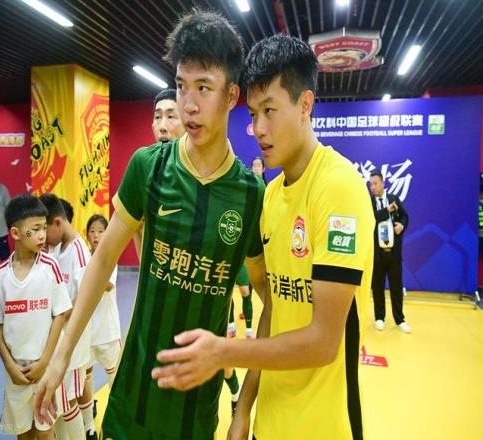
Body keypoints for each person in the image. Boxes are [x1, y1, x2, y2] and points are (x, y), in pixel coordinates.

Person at [35, 10, 266, 440]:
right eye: (181, 86)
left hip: (196, 410)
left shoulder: (252, 195)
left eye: (204, 88)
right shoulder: (149, 167)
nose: (189, 104)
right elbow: (103, 259)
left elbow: (270, 300)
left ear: (232, 95)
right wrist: (62, 354)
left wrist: (245, 406)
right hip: (133, 395)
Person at [151, 34, 375, 440]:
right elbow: (274, 308)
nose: (258, 129)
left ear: (305, 105)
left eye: (270, 111)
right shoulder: (270, 196)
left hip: (323, 429)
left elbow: (324, 342)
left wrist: (222, 351)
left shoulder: (338, 187)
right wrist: (244, 407)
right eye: (253, 114)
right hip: (269, 423)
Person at [0, 194, 72, 439]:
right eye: (35, 230)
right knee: (23, 433)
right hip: (17, 375)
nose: (42, 235)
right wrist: (9, 365)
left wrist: (45, 362)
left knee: (46, 432)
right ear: (15, 233)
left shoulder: (50, 267)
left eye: (44, 228)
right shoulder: (0, 276)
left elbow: (60, 316)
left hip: (46, 370)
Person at [39, 193, 93, 439]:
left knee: (68, 401)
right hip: (59, 340)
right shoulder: (56, 249)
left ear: (58, 223)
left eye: (44, 229)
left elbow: (84, 300)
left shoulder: (79, 251)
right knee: (62, 402)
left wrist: (55, 316)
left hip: (73, 343)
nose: (43, 236)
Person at [134, 88, 186, 259]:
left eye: (171, 117)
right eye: (157, 117)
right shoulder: (143, 169)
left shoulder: (204, 175)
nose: (162, 127)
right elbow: (137, 228)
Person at [368, 169, 411, 333]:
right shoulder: (369, 202)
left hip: (393, 252)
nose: (372, 187)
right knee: (377, 286)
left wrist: (402, 225)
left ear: (383, 183)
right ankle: (379, 317)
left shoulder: (394, 199)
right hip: (377, 253)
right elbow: (371, 218)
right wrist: (387, 210)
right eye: (370, 184)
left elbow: (405, 217)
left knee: (396, 286)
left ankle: (400, 319)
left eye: (375, 183)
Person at [86, 213, 121, 388]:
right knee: (85, 374)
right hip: (87, 332)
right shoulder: (83, 258)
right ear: (86, 235)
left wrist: (87, 277)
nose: (96, 235)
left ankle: (115, 404)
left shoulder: (111, 257)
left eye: (101, 231)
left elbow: (107, 285)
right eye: (92, 231)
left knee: (114, 373)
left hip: (108, 331)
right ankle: (89, 403)